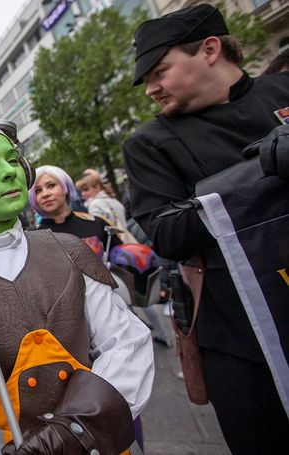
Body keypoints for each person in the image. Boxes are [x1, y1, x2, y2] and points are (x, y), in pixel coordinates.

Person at [0, 119, 154, 454]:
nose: (8, 171)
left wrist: (74, 432)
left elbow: (128, 345)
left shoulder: (70, 250)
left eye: (12, 159)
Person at [122, 4, 289, 452]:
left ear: (210, 49)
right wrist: (261, 171)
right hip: (241, 342)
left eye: (160, 71)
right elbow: (168, 234)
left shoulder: (283, 90)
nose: (151, 89)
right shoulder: (149, 144)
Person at [30, 165, 122, 258]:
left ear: (65, 187)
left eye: (51, 186)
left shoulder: (97, 224)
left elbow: (124, 263)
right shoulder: (33, 240)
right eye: (38, 191)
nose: (45, 194)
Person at [75, 172, 138, 244]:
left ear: (97, 187)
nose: (83, 194)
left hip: (114, 244)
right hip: (127, 242)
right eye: (81, 191)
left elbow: (99, 231)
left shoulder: (95, 205)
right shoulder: (112, 200)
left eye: (86, 190)